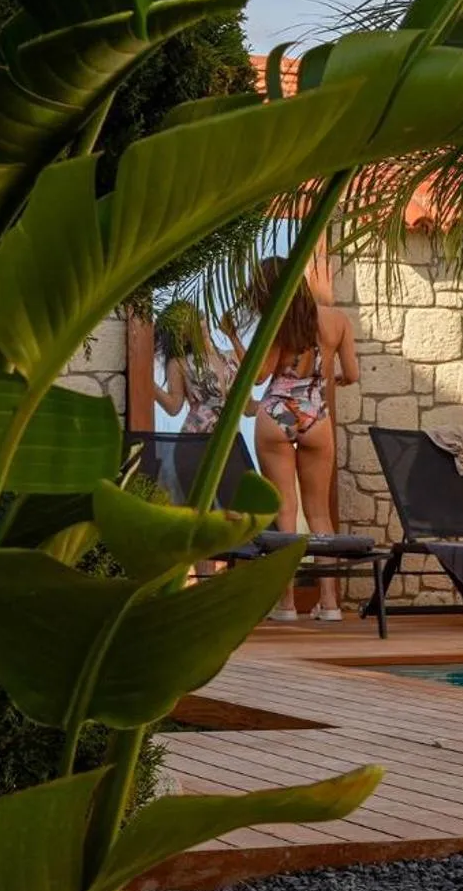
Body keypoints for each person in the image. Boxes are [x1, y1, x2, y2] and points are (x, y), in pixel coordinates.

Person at [248, 258, 359, 622]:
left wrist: (241, 341)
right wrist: (336, 379)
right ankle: (329, 604)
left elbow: (260, 375)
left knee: (285, 511)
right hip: (316, 415)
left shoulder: (276, 322)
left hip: (278, 412)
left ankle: (287, 605)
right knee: (320, 513)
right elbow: (352, 374)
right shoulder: (337, 320)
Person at [151, 299, 239, 434]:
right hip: (195, 439)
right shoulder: (179, 363)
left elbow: (249, 407)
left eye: (198, 315)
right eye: (190, 324)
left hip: (232, 439)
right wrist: (148, 382)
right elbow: (174, 407)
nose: (199, 323)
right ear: (183, 337)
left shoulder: (231, 357)